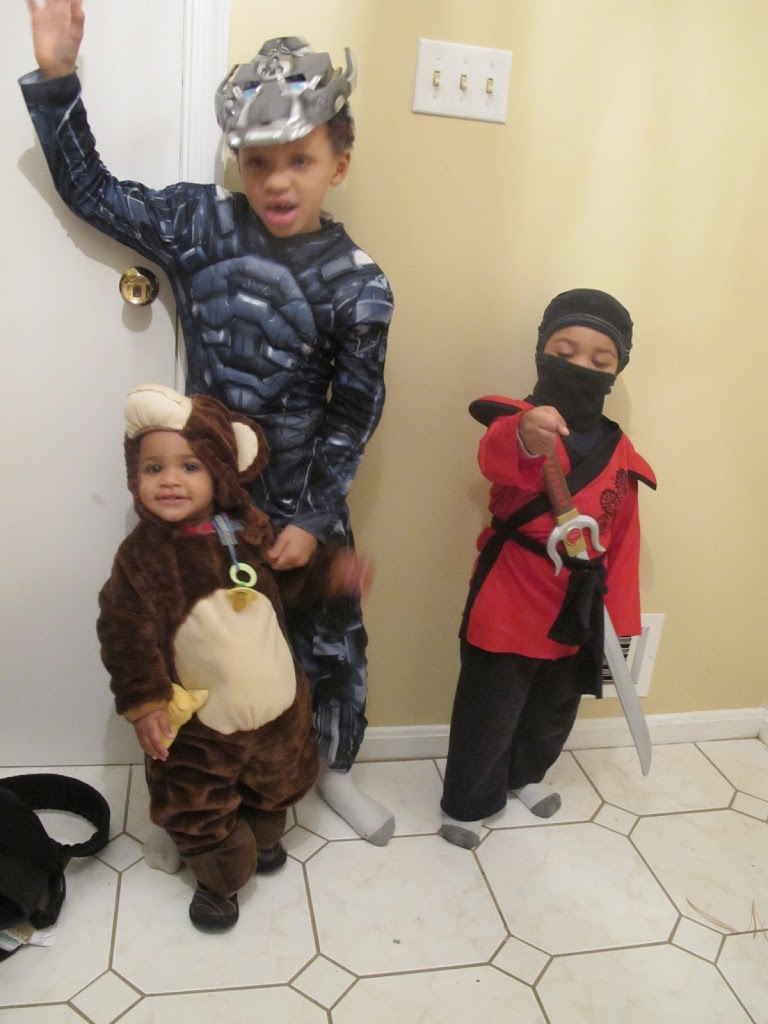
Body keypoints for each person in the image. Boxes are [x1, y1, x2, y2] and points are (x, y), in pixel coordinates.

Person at [20, 1, 396, 849]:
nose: (277, 182)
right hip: (206, 494)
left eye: (299, 160)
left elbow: (355, 409)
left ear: (339, 161)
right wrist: (57, 76)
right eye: (258, 162)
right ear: (237, 161)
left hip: (303, 494)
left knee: (328, 634)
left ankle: (333, 768)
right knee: (203, 635)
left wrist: (312, 517)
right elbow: (94, 194)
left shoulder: (359, 284)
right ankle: (214, 780)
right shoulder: (200, 225)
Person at [97, 383, 373, 931]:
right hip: (198, 720)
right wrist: (145, 702)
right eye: (153, 468)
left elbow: (282, 585)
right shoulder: (142, 557)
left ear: (221, 473)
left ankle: (263, 835)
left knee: (280, 779)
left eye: (189, 466)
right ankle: (218, 878)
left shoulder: (247, 529)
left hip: (277, 703)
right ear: (135, 476)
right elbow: (125, 631)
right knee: (196, 798)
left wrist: (330, 572)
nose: (170, 480)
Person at [439, 288, 656, 850]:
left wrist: (618, 620)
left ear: (616, 371)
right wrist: (523, 434)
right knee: (491, 705)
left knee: (554, 706)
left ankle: (525, 775)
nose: (581, 366)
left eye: (600, 360)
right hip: (511, 591)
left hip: (578, 602)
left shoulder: (621, 452)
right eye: (565, 351)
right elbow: (495, 459)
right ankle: (469, 801)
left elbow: (623, 541)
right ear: (542, 352)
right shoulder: (517, 423)